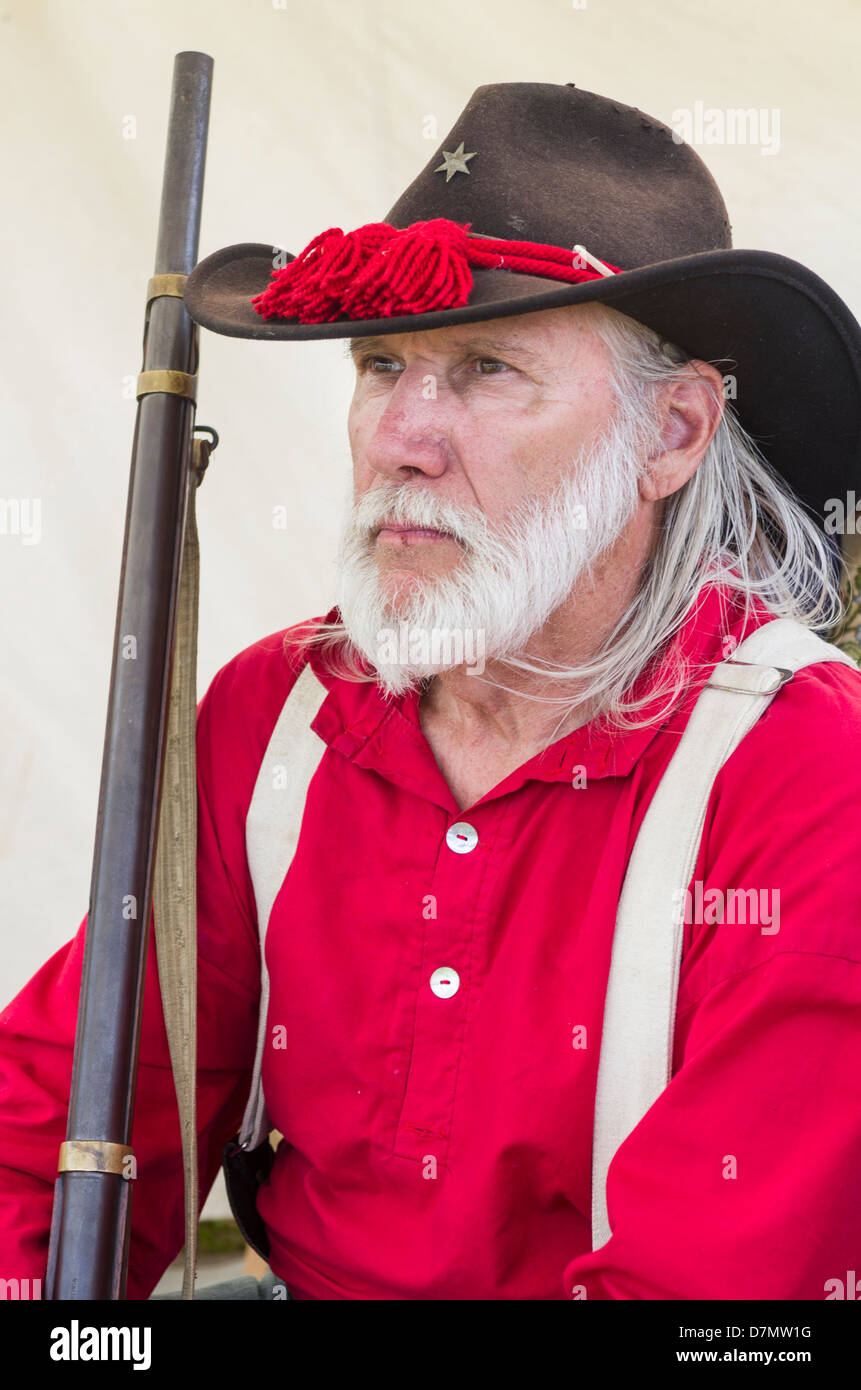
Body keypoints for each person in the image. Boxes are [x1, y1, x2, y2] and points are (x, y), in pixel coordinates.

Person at [2, 81, 861, 1301]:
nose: (402, 434)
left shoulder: (803, 768)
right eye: (383, 362)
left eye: (489, 369)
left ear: (671, 435)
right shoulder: (278, 715)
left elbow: (724, 1305)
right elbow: (47, 1139)